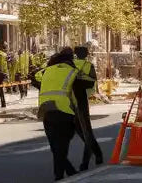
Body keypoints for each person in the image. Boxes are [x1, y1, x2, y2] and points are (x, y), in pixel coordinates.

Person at [33, 48, 79, 181]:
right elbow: (76, 96)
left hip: (46, 110)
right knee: (62, 147)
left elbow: (34, 76)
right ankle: (60, 176)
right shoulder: (72, 72)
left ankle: (69, 172)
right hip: (65, 112)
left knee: (55, 146)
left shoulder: (46, 71)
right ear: (71, 58)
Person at [72, 45, 103, 170]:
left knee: (81, 131)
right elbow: (93, 83)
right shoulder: (88, 65)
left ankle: (87, 161)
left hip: (70, 99)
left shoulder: (70, 65)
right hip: (81, 99)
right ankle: (95, 155)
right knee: (86, 131)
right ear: (87, 54)